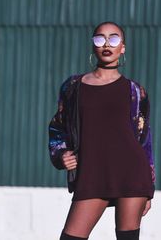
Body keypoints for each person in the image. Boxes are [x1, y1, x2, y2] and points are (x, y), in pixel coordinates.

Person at [48, 21, 155, 240]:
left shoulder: (136, 91)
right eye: (100, 38)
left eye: (114, 39)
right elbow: (57, 127)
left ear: (122, 47)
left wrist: (149, 189)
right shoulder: (73, 87)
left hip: (131, 175)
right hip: (92, 174)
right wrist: (60, 154)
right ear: (93, 46)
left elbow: (144, 140)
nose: (107, 44)